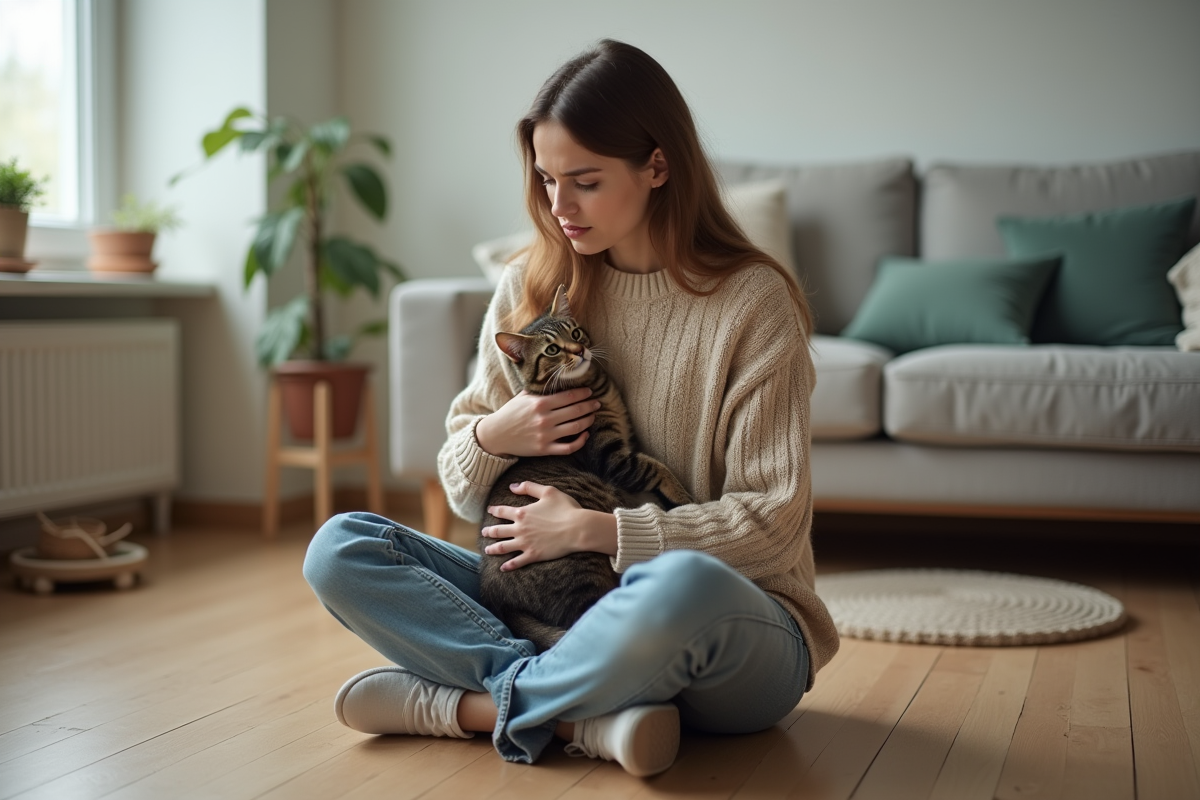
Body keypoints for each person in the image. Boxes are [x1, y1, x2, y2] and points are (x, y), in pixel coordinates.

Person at [303, 38, 839, 778]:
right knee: (341, 548)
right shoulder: (534, 286)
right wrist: (497, 432)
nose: (559, 207)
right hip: (562, 619)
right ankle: (586, 717)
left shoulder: (752, 305)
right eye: (547, 180)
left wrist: (597, 530)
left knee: (675, 582)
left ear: (657, 165)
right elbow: (464, 489)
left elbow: (774, 526)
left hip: (732, 630)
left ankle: (468, 708)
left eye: (584, 181)